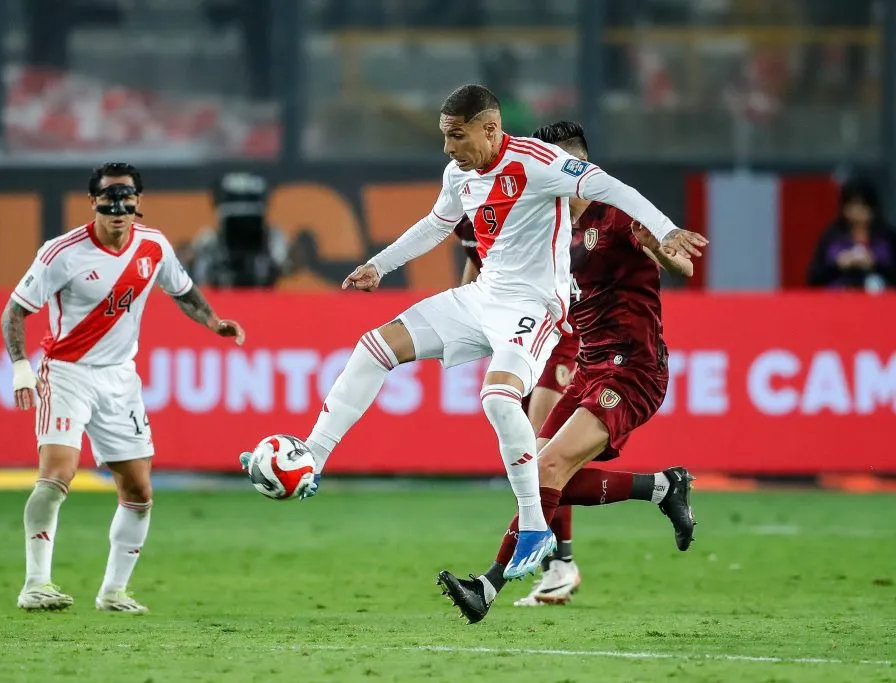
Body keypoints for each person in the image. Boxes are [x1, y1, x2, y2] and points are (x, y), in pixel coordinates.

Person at [241, 86, 705, 576]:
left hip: (534, 305)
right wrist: (379, 265)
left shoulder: (537, 161)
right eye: (444, 136)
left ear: (489, 129)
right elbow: (436, 225)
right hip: (483, 297)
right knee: (375, 346)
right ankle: (313, 454)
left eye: (456, 136)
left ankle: (533, 528)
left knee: (499, 399)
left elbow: (611, 187)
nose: (447, 148)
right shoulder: (458, 174)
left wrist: (667, 228)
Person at [437, 121, 700, 623]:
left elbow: (682, 268)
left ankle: (489, 586)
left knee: (546, 470)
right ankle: (663, 487)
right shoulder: (552, 223)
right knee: (533, 470)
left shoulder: (617, 216)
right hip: (588, 366)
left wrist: (660, 242)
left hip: (632, 369)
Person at [2, 162, 246, 613]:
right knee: (56, 475)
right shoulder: (62, 253)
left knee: (138, 491)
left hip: (120, 379)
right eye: (109, 199)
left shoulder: (152, 246)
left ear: (138, 202)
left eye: (126, 199)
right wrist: (20, 367)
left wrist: (214, 321)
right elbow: (15, 311)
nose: (118, 208)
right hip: (67, 372)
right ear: (92, 202)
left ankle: (113, 591)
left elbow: (184, 290)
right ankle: (36, 583)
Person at [455, 212, 581, 605]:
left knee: (539, 454)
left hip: (556, 334)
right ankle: (657, 487)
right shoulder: (467, 219)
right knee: (534, 457)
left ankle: (562, 563)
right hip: (514, 342)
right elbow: (473, 278)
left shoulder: (529, 204)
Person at [806, 178, 896, 292]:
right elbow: (813, 279)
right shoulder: (831, 237)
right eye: (852, 206)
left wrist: (874, 264)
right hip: (838, 301)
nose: (857, 212)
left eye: (862, 206)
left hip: (882, 301)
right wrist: (839, 265)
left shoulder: (888, 236)